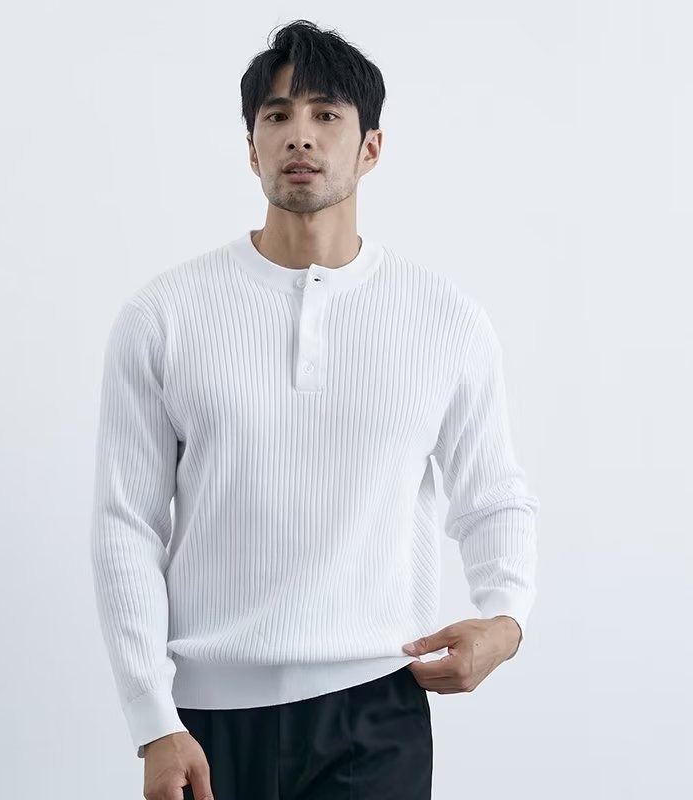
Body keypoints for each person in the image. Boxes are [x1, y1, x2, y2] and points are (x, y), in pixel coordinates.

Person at [89, 18, 539, 800]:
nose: (300, 134)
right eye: (278, 115)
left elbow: (493, 493)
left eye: (327, 114)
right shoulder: (163, 316)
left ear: (371, 148)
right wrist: (152, 720)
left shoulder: (445, 320)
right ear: (252, 147)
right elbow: (125, 524)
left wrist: (506, 618)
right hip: (206, 718)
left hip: (376, 705)